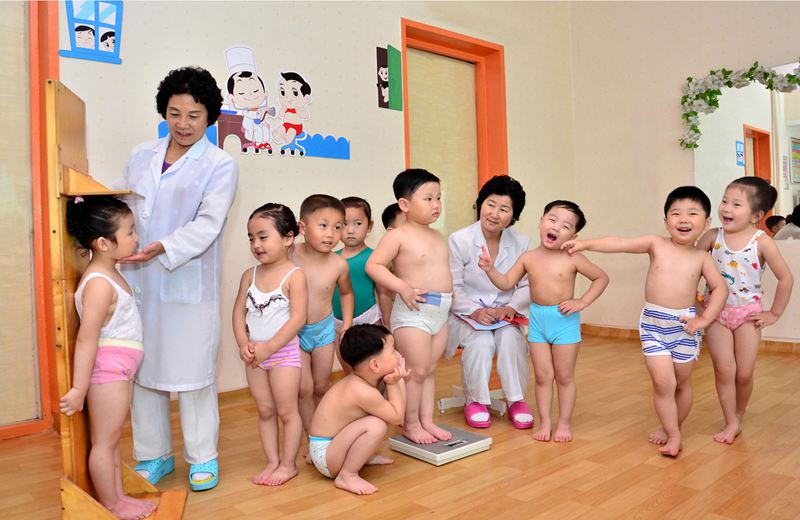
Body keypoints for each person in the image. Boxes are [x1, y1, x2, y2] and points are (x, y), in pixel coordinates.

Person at [119, 66, 238, 490]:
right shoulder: (141, 155)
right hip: (138, 278)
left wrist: (164, 247)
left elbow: (209, 223)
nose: (183, 124)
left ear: (209, 117)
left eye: (194, 115)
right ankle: (153, 455)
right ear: (163, 112)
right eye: (174, 113)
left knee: (193, 374)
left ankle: (203, 457)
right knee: (143, 371)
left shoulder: (220, 164)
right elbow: (122, 204)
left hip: (186, 277)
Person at [562, 186, 727, 456]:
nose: (683, 219)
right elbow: (620, 243)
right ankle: (673, 434)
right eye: (676, 213)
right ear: (666, 221)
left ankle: (672, 426)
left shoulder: (702, 258)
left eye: (692, 213)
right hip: (653, 325)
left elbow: (720, 288)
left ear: (706, 222)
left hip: (684, 327)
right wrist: (586, 244)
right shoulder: (656, 244)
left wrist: (704, 320)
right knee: (663, 383)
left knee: (682, 384)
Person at [479, 200, 609, 442]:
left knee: (564, 376)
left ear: (573, 236)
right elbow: (506, 282)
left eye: (565, 226)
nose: (556, 227)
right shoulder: (528, 258)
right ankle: (546, 422)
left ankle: (564, 423)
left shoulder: (573, 258)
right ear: (541, 221)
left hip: (564, 322)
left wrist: (582, 301)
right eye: (552, 219)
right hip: (538, 321)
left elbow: (601, 278)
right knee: (542, 376)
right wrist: (490, 270)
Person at [60, 196, 156, 520]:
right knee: (104, 442)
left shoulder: (109, 271)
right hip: (108, 371)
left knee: (113, 440)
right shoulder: (99, 284)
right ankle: (112, 503)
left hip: (120, 369)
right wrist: (79, 389)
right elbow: (86, 339)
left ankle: (118, 496)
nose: (136, 237)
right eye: (129, 231)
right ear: (103, 243)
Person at [696, 177, 794, 444]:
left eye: (736, 204)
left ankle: (739, 414)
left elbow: (786, 278)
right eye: (724, 201)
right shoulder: (711, 237)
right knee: (723, 369)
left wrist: (774, 313)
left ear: (756, 216)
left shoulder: (761, 241)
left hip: (747, 315)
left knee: (744, 373)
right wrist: (695, 303)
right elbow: (691, 268)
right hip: (715, 314)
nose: (726, 208)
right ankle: (730, 421)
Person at [366, 168, 453, 444]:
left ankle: (427, 421)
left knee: (428, 370)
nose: (436, 204)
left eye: (438, 198)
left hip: (440, 312)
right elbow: (374, 265)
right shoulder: (398, 235)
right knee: (415, 371)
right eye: (428, 199)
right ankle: (411, 423)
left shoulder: (437, 236)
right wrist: (402, 287)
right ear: (404, 204)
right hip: (414, 312)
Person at [447, 175, 533, 430]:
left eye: (504, 209)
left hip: (504, 313)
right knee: (481, 341)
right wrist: (474, 311)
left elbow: (526, 285)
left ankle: (516, 400)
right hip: (466, 313)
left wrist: (511, 307)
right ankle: (475, 401)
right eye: (490, 204)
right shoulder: (459, 240)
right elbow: (453, 286)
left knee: (511, 338)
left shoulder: (521, 242)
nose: (494, 213)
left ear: (513, 216)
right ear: (480, 204)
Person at [232, 204, 307, 486]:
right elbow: (238, 312)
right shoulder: (248, 276)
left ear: (288, 238)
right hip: (254, 355)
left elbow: (298, 318)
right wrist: (243, 342)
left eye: (263, 237)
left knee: (287, 411)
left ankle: (288, 465)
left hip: (283, 354)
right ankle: (272, 461)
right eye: (251, 238)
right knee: (265, 410)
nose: (256, 244)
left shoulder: (294, 275)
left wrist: (270, 348)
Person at [309, 324, 408, 495]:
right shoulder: (361, 391)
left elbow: (398, 411)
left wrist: (397, 380)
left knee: (379, 417)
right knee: (376, 425)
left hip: (333, 446)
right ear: (375, 365)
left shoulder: (364, 381)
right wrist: (394, 383)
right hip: (325, 454)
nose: (398, 354)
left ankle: (361, 457)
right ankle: (347, 475)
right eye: (393, 351)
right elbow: (398, 417)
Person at [290, 195, 354, 436]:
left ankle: (323, 431)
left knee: (321, 385)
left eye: (338, 227)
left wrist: (346, 323)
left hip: (324, 332)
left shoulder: (339, 264)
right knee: (303, 388)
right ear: (302, 228)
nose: (331, 234)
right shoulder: (288, 255)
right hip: (293, 332)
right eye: (323, 226)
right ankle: (311, 436)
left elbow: (346, 293)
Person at [333, 197, 382, 373]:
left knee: (376, 369)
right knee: (349, 370)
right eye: (344, 224)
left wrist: (386, 323)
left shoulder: (375, 257)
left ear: (369, 226)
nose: (350, 230)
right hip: (338, 322)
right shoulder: (331, 259)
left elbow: (383, 292)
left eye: (358, 224)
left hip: (369, 319)